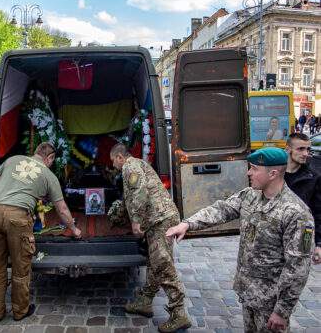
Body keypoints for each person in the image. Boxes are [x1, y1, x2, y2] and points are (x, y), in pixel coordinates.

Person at [166, 147, 314, 333]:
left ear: (273, 173)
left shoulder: (296, 213)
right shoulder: (250, 195)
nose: (248, 172)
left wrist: (282, 311)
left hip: (271, 303)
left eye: (254, 168)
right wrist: (187, 225)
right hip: (249, 293)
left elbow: (298, 267)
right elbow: (221, 210)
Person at [0, 142, 82, 322]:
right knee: (21, 267)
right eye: (52, 160)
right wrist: (74, 229)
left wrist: (5, 200)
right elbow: (61, 209)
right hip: (19, 217)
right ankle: (20, 311)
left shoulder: (12, 159)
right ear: (50, 157)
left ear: (35, 152)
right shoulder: (48, 175)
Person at [108, 143, 191, 332]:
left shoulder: (130, 166)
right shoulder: (136, 165)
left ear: (120, 157)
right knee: (155, 263)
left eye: (113, 160)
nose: (113, 165)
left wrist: (135, 221)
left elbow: (139, 192)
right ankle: (144, 301)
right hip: (159, 218)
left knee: (163, 265)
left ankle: (179, 314)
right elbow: (129, 198)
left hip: (160, 219)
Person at [284, 133, 321, 265]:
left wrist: (319, 244)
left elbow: (319, 212)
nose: (305, 153)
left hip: (304, 234)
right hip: (276, 234)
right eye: (300, 149)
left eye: (308, 149)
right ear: (288, 149)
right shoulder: (275, 174)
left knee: (298, 274)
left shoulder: (313, 177)